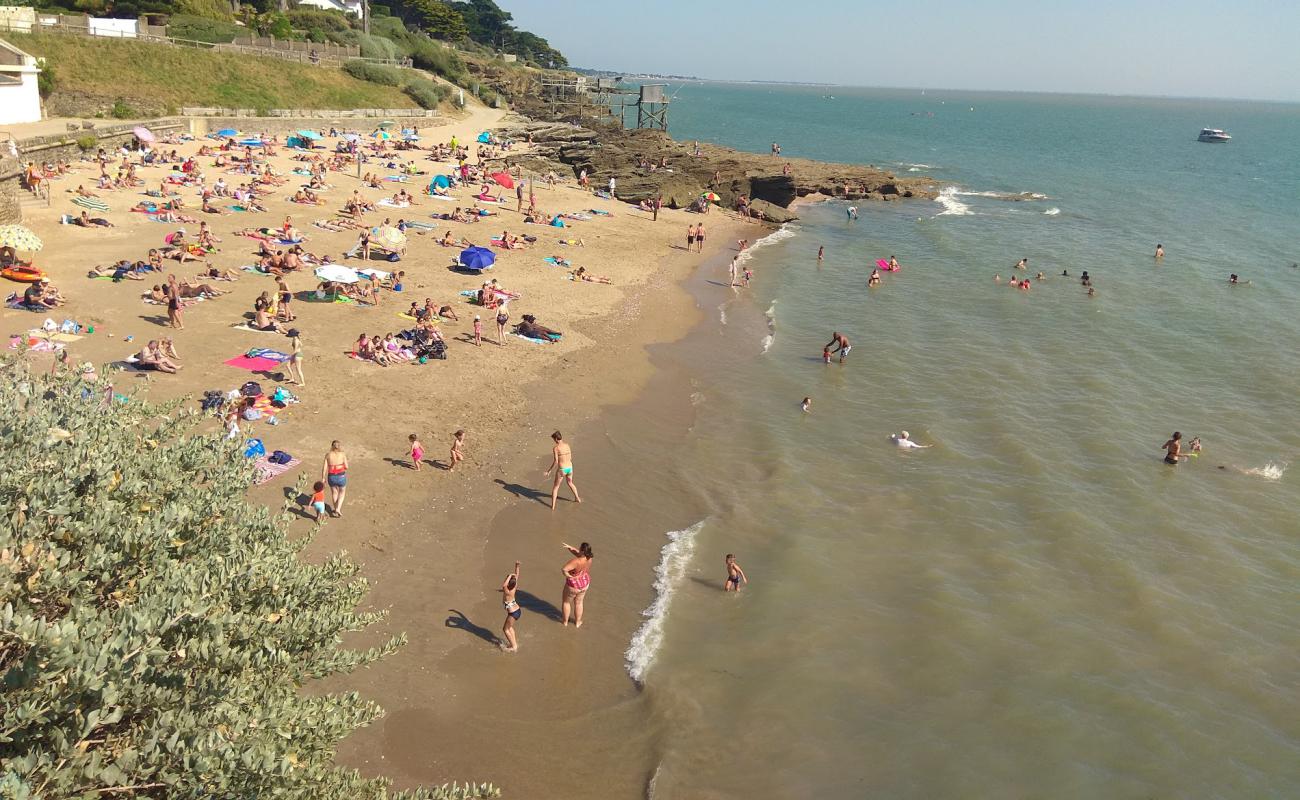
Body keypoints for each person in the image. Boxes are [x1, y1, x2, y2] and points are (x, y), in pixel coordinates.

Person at [559, 542, 593, 627]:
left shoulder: (575, 561)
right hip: (584, 583)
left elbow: (564, 569)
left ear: (582, 551)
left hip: (574, 585)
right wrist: (570, 547)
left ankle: (565, 622)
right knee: (579, 602)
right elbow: (578, 553)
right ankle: (578, 623)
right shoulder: (589, 558)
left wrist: (569, 577)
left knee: (566, 602)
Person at [545, 430, 581, 509]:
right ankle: (577, 498)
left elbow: (556, 461)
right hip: (570, 467)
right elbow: (570, 457)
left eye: (554, 440)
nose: (554, 441)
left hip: (562, 469)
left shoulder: (556, 448)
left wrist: (549, 471)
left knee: (556, 487)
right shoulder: (567, 445)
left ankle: (553, 507)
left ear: (556, 439)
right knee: (570, 483)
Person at [322, 441, 348, 516]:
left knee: (334, 492)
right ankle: (338, 509)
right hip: (341, 476)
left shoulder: (328, 455)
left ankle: (336, 508)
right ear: (339, 446)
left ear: (332, 446)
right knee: (342, 492)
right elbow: (346, 466)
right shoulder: (342, 454)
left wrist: (323, 478)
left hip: (331, 476)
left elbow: (324, 468)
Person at [500, 561, 522, 652]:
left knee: (505, 629)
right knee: (510, 628)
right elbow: (517, 575)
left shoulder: (507, 591)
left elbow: (503, 585)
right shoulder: (514, 587)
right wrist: (517, 566)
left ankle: (514, 647)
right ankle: (514, 643)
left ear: (508, 583)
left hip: (513, 613)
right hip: (517, 611)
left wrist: (509, 576)